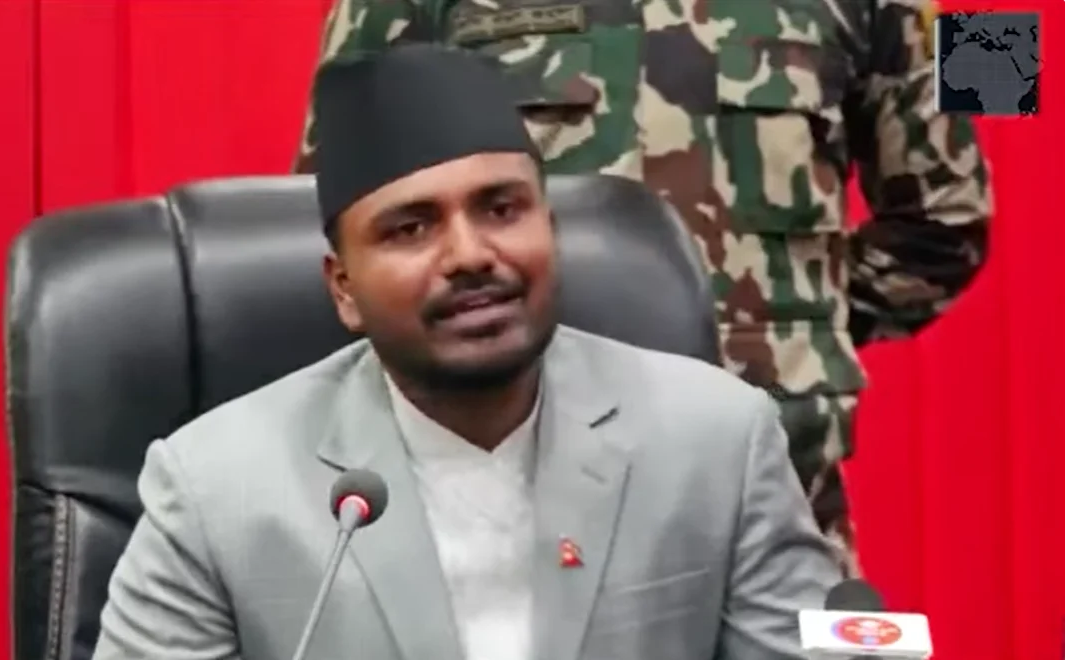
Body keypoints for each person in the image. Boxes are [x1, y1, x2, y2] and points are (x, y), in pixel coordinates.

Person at [93, 44, 840, 660]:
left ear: (552, 230)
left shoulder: (719, 440)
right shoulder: (216, 490)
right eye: (411, 229)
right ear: (344, 288)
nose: (470, 254)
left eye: (502, 209)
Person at [292, 0, 994, 577]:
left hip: (775, 499)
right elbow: (339, 212)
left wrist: (799, 338)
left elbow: (954, 220)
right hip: (497, 495)